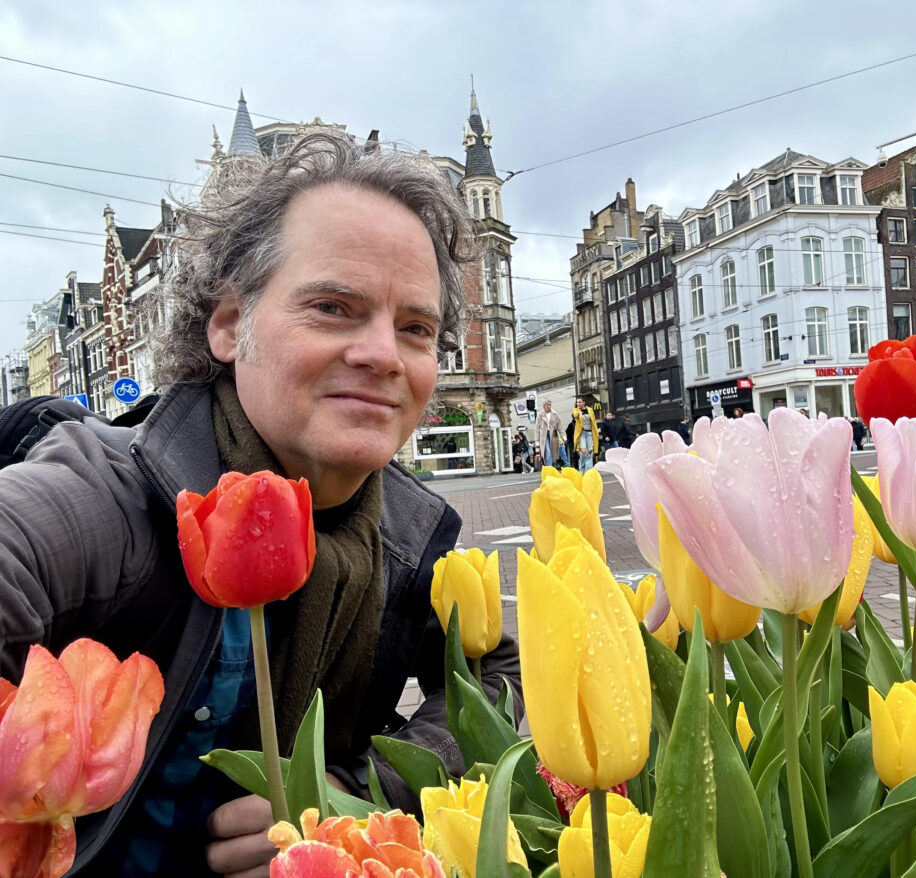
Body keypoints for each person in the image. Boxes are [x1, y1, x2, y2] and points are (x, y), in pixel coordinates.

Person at [0, 135, 522, 876]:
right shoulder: (117, 490)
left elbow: (506, 670)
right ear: (226, 325)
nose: (383, 354)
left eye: (415, 328)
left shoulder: (408, 537)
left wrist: (355, 792)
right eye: (334, 308)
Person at [534, 399, 564, 468]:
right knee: (547, 450)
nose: (549, 406)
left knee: (552, 451)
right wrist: (537, 440)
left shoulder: (555, 414)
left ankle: (550, 466)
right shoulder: (540, 415)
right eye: (547, 405)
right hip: (544, 435)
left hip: (553, 434)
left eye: (550, 404)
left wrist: (563, 436)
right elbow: (537, 428)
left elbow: (560, 425)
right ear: (544, 406)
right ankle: (549, 467)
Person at [571, 397, 599, 472]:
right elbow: (574, 415)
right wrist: (579, 413)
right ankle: (581, 469)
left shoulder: (590, 410)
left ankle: (588, 471)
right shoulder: (576, 410)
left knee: (590, 452)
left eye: (580, 402)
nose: (578, 404)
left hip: (590, 433)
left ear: (584, 402)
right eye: (577, 402)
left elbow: (593, 421)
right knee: (583, 452)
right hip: (582, 433)